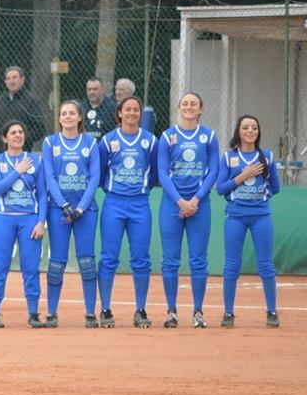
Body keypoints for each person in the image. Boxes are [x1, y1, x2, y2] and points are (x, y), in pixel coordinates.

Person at [157, 92, 220, 328]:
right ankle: (172, 311)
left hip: (200, 206)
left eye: (193, 104)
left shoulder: (209, 136)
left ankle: (198, 312)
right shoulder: (168, 136)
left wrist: (195, 199)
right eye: (185, 103)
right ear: (178, 108)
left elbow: (213, 171)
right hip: (172, 204)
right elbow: (162, 173)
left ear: (201, 109)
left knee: (198, 260)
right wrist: (180, 202)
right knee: (170, 260)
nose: (189, 107)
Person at [97, 96, 158, 328]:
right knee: (108, 258)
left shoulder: (150, 141)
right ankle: (105, 309)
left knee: (141, 259)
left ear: (140, 114)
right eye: (127, 109)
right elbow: (101, 172)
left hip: (140, 204)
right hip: (113, 203)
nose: (132, 113)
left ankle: (140, 309)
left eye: (136, 110)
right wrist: (114, 190)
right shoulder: (108, 141)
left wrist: (139, 190)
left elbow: (154, 175)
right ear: (119, 113)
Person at [216, 114, 281, 328]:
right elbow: (220, 189)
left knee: (266, 264)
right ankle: (228, 313)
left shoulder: (267, 156)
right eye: (245, 127)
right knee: (232, 264)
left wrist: (263, 197)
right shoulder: (228, 157)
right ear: (239, 131)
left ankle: (272, 312)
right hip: (235, 216)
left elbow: (275, 187)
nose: (250, 130)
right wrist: (243, 176)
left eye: (254, 127)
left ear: (258, 132)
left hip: (261, 216)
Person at [42, 101, 100, 328]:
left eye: (71, 113)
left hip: (85, 211)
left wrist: (81, 208)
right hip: (59, 210)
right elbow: (49, 177)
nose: (67, 116)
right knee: (57, 262)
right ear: (59, 118)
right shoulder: (50, 142)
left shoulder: (90, 142)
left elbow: (94, 177)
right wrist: (64, 204)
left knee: (87, 261)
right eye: (63, 113)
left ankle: (89, 313)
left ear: (79, 118)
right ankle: (52, 312)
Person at [0, 120, 47, 328]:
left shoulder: (35, 161)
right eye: (13, 133)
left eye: (21, 132)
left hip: (29, 218)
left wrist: (41, 222)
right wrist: (17, 171)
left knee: (31, 267)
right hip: (3, 218)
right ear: (4, 138)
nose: (17, 136)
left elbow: (42, 195)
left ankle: (33, 313)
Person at [0, 66, 48, 151]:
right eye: (8, 78)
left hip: (23, 152)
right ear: (5, 82)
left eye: (14, 78)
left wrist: (20, 139)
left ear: (22, 80)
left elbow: (40, 128)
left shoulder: (32, 101)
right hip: (0, 153)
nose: (11, 81)